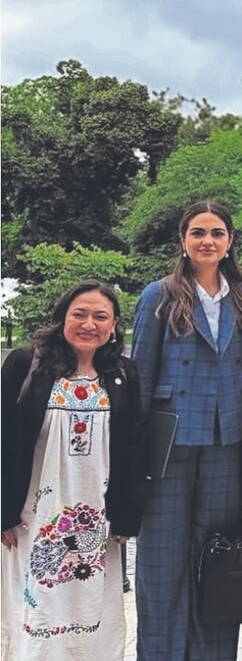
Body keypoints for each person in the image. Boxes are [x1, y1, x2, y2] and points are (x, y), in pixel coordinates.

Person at [132, 201, 242, 661]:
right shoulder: (159, 294)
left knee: (218, 560)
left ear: (229, 243)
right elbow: (141, 379)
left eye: (218, 233)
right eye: (198, 232)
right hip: (169, 443)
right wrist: (133, 458)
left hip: (227, 442)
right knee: (162, 562)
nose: (208, 240)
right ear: (183, 241)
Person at [1, 281, 144, 660]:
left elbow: (134, 447)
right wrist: (3, 512)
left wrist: (128, 516)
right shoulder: (24, 364)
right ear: (62, 317)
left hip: (97, 517)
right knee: (35, 608)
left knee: (90, 606)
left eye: (101, 316)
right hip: (32, 516)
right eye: (79, 314)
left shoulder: (123, 373)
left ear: (114, 326)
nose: (89, 324)